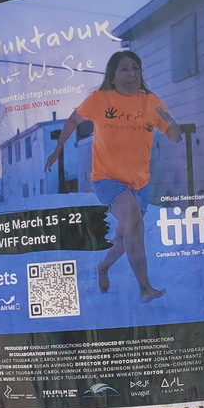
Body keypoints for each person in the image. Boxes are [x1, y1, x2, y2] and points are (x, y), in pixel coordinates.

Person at [45, 50, 182, 302]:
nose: (131, 74)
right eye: (125, 69)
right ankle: (145, 288)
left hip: (140, 184)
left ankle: (103, 267)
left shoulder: (151, 102)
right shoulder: (99, 100)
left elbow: (175, 137)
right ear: (113, 76)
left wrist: (172, 122)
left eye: (135, 68)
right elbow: (73, 121)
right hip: (107, 180)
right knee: (134, 222)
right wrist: (57, 149)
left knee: (123, 237)